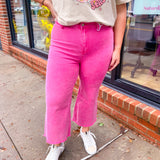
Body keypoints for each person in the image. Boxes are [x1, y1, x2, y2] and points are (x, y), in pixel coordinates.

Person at [34, 0, 131, 159]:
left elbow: (121, 9)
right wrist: (48, 3)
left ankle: (85, 131)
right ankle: (57, 142)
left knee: (90, 93)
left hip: (101, 39)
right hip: (64, 38)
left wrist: (118, 48)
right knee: (56, 98)